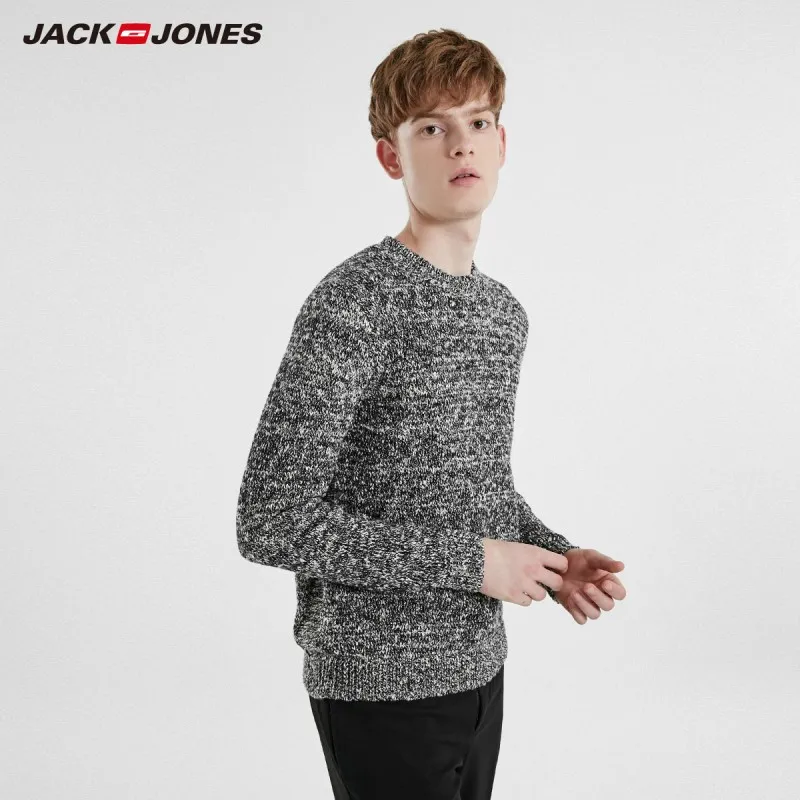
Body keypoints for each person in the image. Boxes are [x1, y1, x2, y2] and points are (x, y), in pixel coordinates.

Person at [236, 27, 627, 800]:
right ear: (392, 157)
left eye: (477, 122)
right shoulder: (353, 303)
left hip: (480, 671)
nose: (461, 144)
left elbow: (477, 490)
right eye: (431, 128)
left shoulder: (501, 314)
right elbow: (271, 520)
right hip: (376, 686)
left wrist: (553, 561)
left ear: (502, 143)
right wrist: (478, 565)